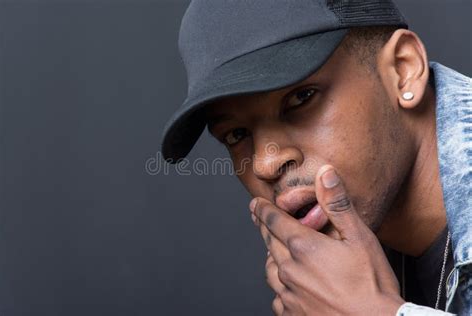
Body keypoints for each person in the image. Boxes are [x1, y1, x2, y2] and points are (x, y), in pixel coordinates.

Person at [161, 1, 471, 315]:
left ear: (403, 71)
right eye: (237, 134)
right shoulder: (329, 284)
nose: (264, 164)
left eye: (300, 98)